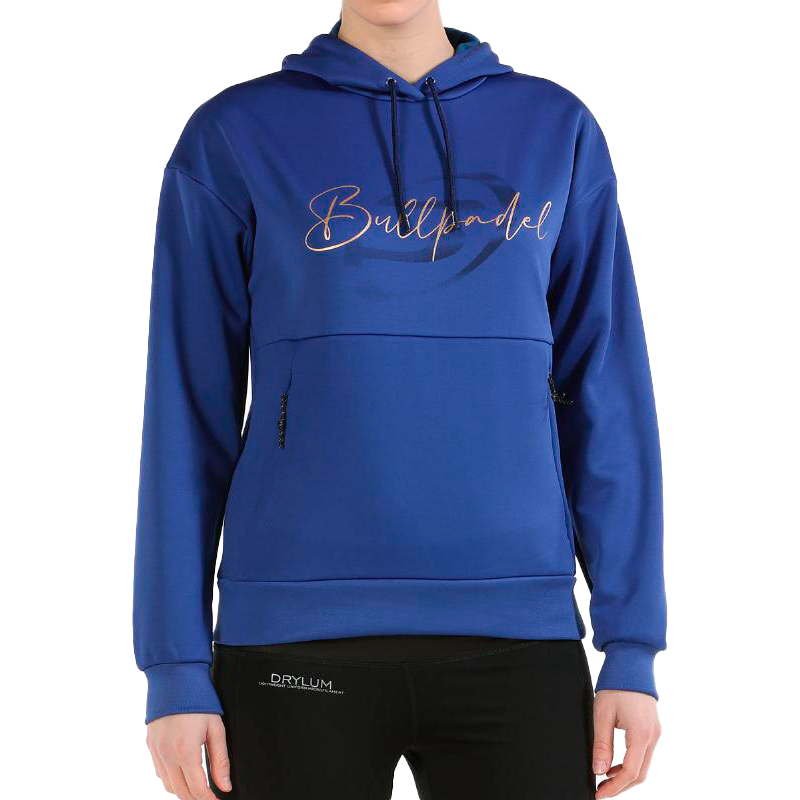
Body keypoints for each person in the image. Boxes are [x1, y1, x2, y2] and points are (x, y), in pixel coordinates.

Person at [134, 1, 666, 798]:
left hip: (518, 636)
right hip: (293, 642)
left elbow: (606, 393)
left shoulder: (556, 129)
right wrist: (173, 665)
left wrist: (631, 645)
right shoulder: (236, 135)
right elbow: (185, 409)